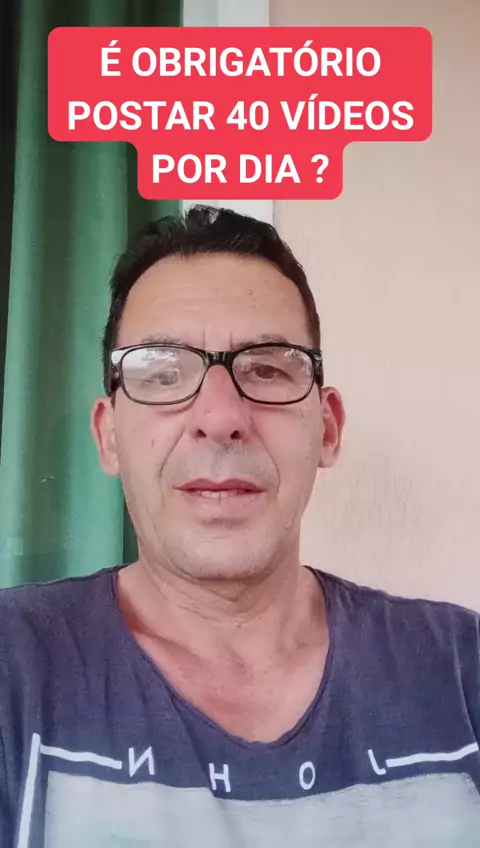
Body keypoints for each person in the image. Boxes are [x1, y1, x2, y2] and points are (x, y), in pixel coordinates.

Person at [0, 205, 479, 848]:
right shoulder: (14, 668)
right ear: (108, 435)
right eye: (162, 372)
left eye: (268, 368)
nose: (220, 416)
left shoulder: (461, 669)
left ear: (327, 429)